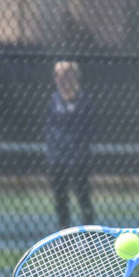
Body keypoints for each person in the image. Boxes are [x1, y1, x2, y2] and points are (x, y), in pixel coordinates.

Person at [45, 60, 95, 229]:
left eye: (65, 75)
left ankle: (88, 235)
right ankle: (63, 234)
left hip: (79, 158)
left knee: (83, 197)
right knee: (60, 198)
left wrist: (78, 153)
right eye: (58, 75)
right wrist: (53, 152)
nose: (60, 79)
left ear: (74, 77)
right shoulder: (54, 100)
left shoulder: (84, 100)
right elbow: (50, 129)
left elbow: (88, 130)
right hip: (57, 158)